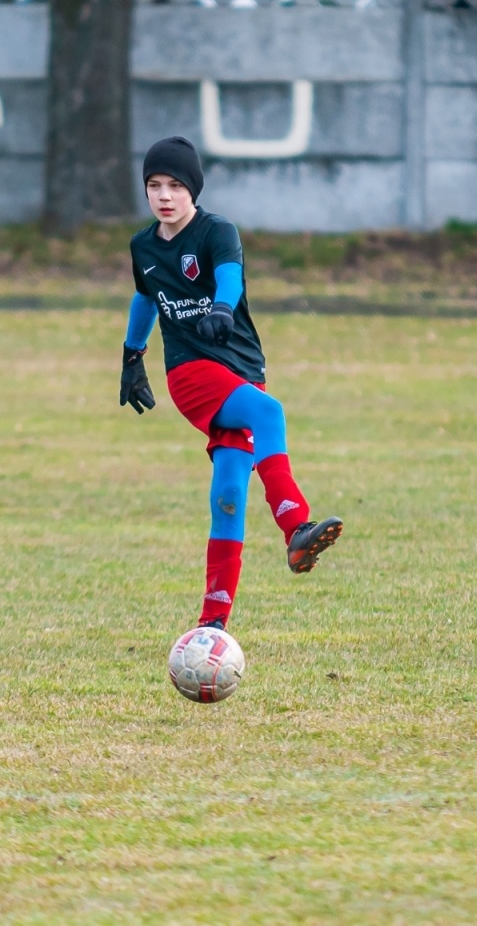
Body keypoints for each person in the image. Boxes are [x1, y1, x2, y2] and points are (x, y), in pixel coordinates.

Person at [120, 136, 343, 630]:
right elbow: (146, 298)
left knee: (227, 496)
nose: (164, 195)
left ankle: (212, 624)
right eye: (154, 185)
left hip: (242, 369)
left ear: (192, 190)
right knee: (270, 415)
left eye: (175, 185)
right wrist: (132, 355)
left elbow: (230, 278)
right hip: (190, 372)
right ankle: (295, 526)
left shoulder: (217, 231)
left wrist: (222, 306)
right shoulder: (142, 245)